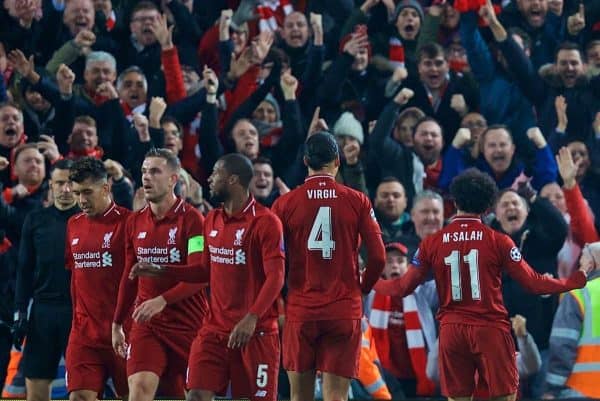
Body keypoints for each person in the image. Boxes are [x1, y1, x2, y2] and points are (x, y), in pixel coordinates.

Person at [373, 168, 594, 401]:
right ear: (488, 207)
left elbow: (401, 287)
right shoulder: (499, 241)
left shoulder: (431, 243)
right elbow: (534, 283)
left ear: (455, 201)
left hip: (452, 331)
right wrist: (574, 280)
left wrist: (372, 281)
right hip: (490, 329)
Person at [130, 153, 285, 401]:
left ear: (233, 180)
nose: (210, 179)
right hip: (213, 330)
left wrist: (252, 317)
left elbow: (276, 277)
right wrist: (162, 268)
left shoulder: (266, 222)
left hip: (256, 333)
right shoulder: (212, 219)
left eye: (216, 174)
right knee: (197, 395)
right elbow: (203, 271)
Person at [271, 132, 386, 401]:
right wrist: (362, 288)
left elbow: (270, 261)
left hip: (301, 308)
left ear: (305, 161)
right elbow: (379, 257)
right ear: (337, 161)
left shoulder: (284, 204)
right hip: (344, 308)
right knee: (337, 397)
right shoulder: (358, 200)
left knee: (300, 397)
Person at [112, 148, 208, 401]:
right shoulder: (134, 222)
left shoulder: (193, 220)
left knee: (196, 395)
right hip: (149, 325)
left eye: (155, 171)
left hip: (189, 323)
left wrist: (162, 300)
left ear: (173, 179)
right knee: (139, 390)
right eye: (144, 171)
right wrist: (117, 322)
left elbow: (200, 275)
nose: (146, 177)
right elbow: (130, 275)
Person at [63, 157, 130, 400]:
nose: (82, 200)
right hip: (84, 334)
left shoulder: (129, 223)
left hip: (124, 332)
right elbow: (76, 277)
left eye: (88, 192)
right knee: (79, 396)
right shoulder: (73, 224)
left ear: (106, 188)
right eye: (77, 193)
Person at [13, 159, 79, 401]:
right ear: (50, 185)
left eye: (71, 183)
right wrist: (20, 313)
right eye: (60, 183)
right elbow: (24, 270)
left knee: (83, 389)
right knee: (37, 387)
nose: (65, 189)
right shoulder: (35, 219)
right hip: (42, 311)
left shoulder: (89, 220)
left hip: (79, 312)